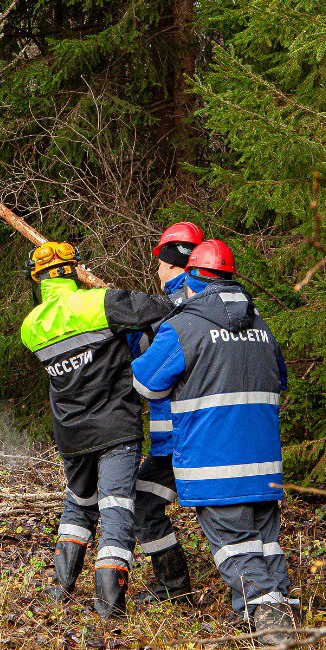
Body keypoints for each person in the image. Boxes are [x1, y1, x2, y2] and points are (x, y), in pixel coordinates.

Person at [130, 240, 295, 646]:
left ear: (193, 279)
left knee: (235, 547)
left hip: (213, 463)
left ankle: (272, 630)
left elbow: (146, 384)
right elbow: (280, 383)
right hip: (262, 465)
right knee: (266, 543)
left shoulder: (185, 325)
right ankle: (284, 613)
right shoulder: (262, 327)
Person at [20, 241, 173, 618]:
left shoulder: (31, 326)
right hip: (115, 426)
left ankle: (61, 589)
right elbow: (162, 309)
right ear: (74, 270)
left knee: (79, 504)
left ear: (37, 279)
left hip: (71, 432)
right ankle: (109, 605)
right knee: (117, 505)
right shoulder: (100, 303)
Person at [133, 221, 203, 602]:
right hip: (176, 441)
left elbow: (146, 375)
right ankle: (174, 587)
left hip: (182, 439)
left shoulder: (173, 314)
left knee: (144, 504)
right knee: (145, 501)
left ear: (172, 263)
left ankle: (175, 589)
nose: (156, 268)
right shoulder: (189, 305)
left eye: (159, 260)